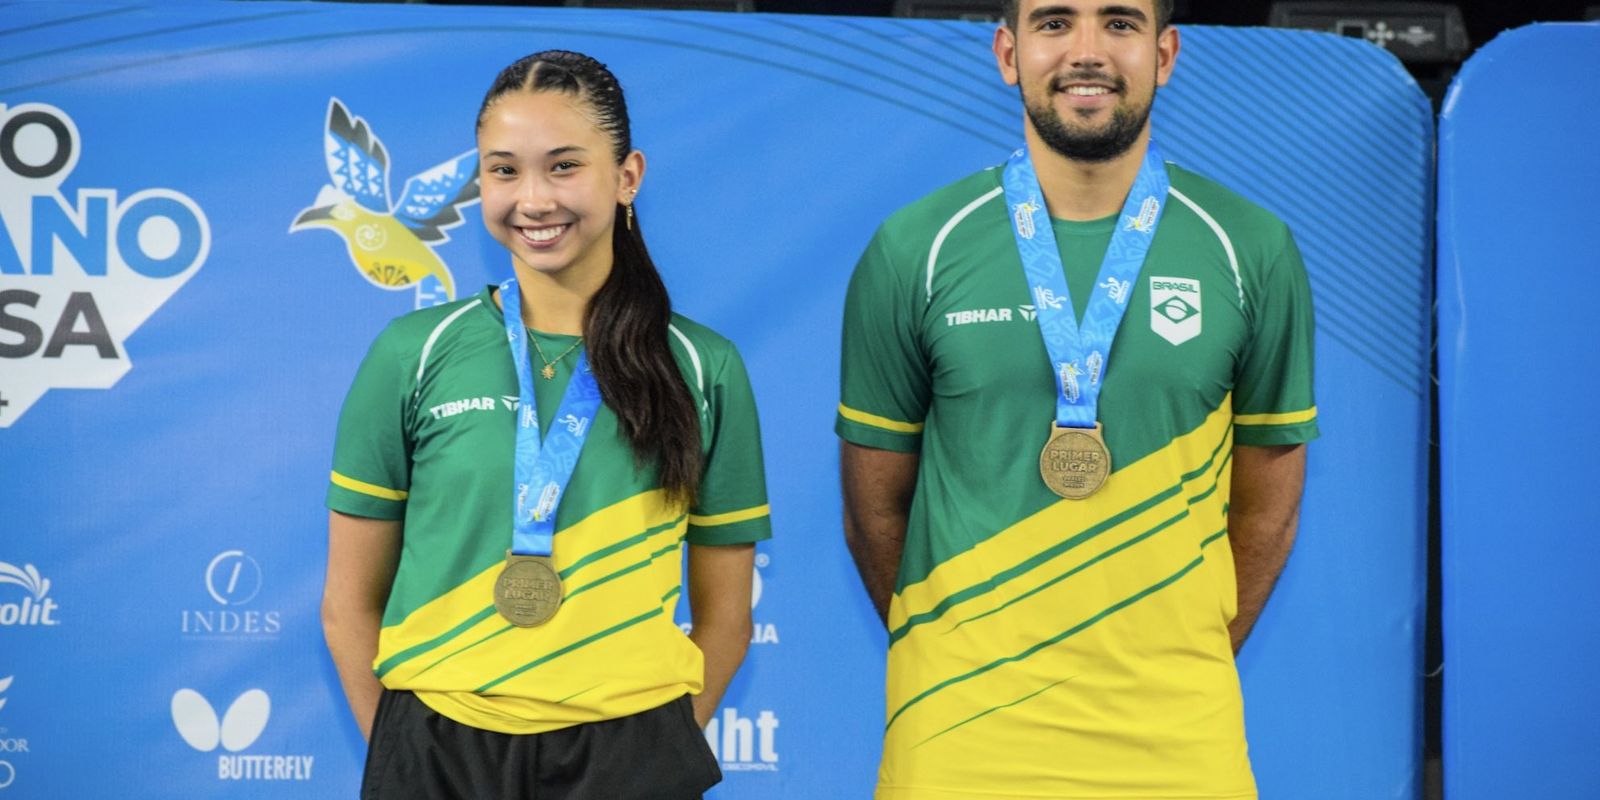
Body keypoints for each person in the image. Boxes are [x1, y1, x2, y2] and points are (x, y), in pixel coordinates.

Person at [837, 0, 1318, 797]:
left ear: (1165, 55)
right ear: (1007, 52)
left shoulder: (1250, 248)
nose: (1087, 50)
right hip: (960, 732)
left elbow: (1268, 505)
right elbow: (873, 510)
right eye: (1055, 22)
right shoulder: (915, 248)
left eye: (1120, 24)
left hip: (1176, 737)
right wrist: (952, 651)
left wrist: (1175, 654)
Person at [321, 50, 771, 800]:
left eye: (563, 167)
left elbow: (727, 621)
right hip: (434, 746)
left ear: (628, 177)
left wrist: (647, 760)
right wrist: (407, 755)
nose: (532, 199)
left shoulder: (703, 366)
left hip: (628, 753)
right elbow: (347, 605)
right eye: (504, 171)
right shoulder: (413, 354)